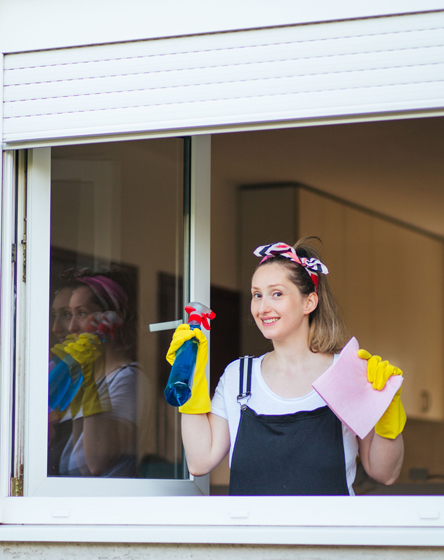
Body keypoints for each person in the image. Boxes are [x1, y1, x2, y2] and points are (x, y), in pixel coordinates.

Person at [167, 239, 406, 495]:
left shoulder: (347, 373)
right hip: (253, 535)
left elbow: (385, 473)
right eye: (257, 295)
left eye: (277, 294)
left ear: (309, 303)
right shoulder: (239, 377)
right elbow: (199, 461)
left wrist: (386, 412)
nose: (262, 307)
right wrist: (189, 375)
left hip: (329, 534)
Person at [50, 268, 140, 478]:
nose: (71, 326)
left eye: (80, 313)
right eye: (69, 315)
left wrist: (87, 374)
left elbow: (93, 465)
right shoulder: (91, 376)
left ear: (114, 318)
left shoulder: (127, 377)